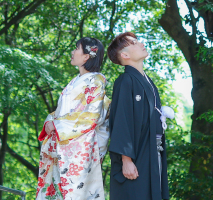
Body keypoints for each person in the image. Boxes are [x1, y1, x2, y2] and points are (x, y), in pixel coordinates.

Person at [35, 37, 110, 200]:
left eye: (77, 48)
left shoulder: (96, 81)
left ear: (86, 57)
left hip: (78, 150)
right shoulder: (76, 81)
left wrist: (56, 124)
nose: (72, 52)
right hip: (64, 146)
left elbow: (91, 115)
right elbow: (62, 113)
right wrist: (50, 121)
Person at [107, 32, 170, 200]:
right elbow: (121, 120)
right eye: (134, 43)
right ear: (125, 55)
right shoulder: (125, 80)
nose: (140, 43)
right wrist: (126, 160)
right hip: (136, 154)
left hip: (152, 149)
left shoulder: (148, 82)